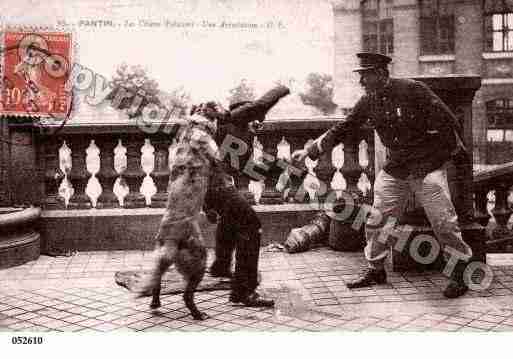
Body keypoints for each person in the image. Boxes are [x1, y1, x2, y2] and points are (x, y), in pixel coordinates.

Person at [292, 52, 472, 299]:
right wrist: (310, 150)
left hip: (427, 166)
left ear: (380, 73)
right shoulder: (369, 101)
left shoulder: (412, 90)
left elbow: (449, 122)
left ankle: (459, 273)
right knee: (378, 219)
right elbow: (344, 127)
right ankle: (376, 269)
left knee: (443, 222)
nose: (361, 82)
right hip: (397, 167)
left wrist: (442, 156)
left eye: (365, 76)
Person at [203, 85, 290, 307]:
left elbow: (246, 168)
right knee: (251, 226)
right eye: (256, 116)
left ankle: (221, 266)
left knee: (232, 218)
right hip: (215, 186)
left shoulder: (234, 129)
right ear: (245, 112)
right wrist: (282, 88)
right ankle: (243, 292)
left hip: (212, 186)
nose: (259, 120)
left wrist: (284, 167)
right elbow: (261, 104)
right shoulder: (235, 121)